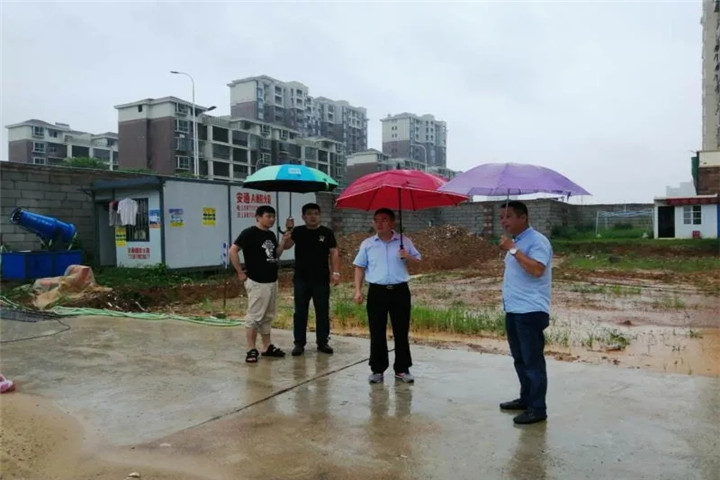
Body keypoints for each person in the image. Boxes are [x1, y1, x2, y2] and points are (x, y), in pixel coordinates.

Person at [497, 201, 553, 425]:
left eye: (508, 216)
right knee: (520, 360)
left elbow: (537, 269)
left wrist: (513, 249)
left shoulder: (537, 241)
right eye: (501, 217)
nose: (504, 221)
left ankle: (537, 408)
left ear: (523, 217)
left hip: (530, 311)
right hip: (514, 309)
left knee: (532, 362)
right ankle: (526, 399)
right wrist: (513, 247)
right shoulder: (517, 242)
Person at [353, 208, 421, 384]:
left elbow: (418, 261)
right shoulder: (368, 244)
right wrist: (358, 290)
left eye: (384, 220)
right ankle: (377, 369)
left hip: (400, 291)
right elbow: (359, 267)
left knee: (401, 331)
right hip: (377, 291)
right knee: (377, 331)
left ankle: (402, 369)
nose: (379, 223)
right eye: (376, 220)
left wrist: (407, 256)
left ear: (392, 222)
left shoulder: (404, 241)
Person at [229, 205, 291, 364]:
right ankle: (251, 348)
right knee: (254, 316)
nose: (271, 219)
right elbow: (233, 250)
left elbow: (275, 255)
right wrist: (240, 272)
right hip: (257, 281)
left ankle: (267, 346)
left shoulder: (270, 234)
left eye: (273, 216)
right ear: (258, 217)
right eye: (268, 216)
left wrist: (283, 241)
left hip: (271, 280)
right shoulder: (249, 233)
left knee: (267, 316)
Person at [283, 203, 341, 356]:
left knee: (322, 311)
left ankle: (322, 342)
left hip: (321, 279)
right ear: (303, 216)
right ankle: (299, 343)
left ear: (319, 215)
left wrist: (335, 272)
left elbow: (334, 252)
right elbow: (286, 246)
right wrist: (288, 230)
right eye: (309, 214)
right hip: (301, 279)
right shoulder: (298, 231)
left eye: (315, 213)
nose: (313, 216)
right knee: (300, 312)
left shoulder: (327, 232)